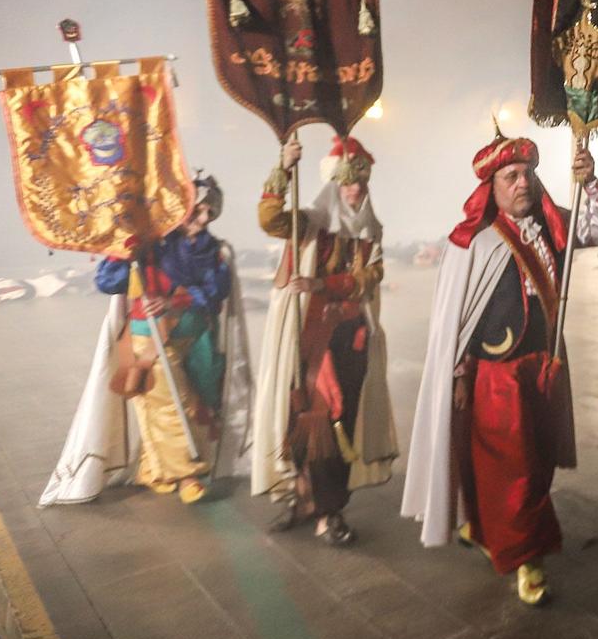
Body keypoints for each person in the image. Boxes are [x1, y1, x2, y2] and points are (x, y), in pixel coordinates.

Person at [401, 128, 598, 606]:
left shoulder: (554, 225)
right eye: (511, 176)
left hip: (546, 368)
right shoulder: (473, 244)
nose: (522, 183)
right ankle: (529, 558)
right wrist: (457, 377)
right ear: (492, 187)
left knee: (536, 466)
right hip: (498, 379)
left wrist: (592, 179)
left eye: (528, 175)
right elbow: (454, 321)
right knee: (516, 469)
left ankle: (485, 530)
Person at [40, 174, 252, 506]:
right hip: (148, 336)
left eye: (210, 213)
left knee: (199, 404)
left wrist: (176, 301)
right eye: (197, 211)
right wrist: (124, 249)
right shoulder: (149, 243)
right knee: (171, 404)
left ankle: (153, 469)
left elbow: (217, 291)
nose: (203, 219)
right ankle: (188, 474)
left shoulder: (213, 251)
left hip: (197, 335)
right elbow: (108, 282)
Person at [253, 134, 398, 545]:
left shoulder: (371, 231)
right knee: (301, 417)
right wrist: (283, 167)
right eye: (348, 182)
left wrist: (323, 282)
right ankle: (302, 499)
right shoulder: (309, 223)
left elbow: (372, 275)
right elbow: (268, 219)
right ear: (334, 184)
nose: (355, 189)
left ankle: (329, 510)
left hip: (350, 339)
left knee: (339, 423)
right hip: (306, 334)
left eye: (361, 182)